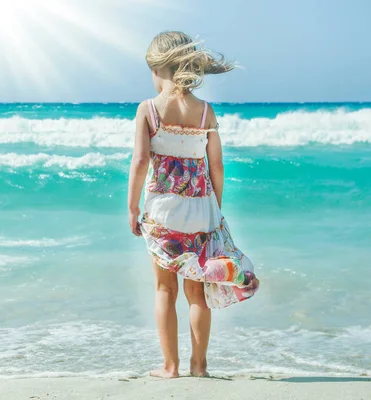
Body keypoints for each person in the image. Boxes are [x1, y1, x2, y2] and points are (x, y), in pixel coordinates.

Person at [127, 31, 260, 379]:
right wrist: (215, 206)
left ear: (158, 70)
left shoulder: (149, 109)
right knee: (196, 292)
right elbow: (216, 165)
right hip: (201, 210)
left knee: (164, 289)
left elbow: (141, 161)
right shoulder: (205, 112)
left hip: (162, 211)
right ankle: (199, 366)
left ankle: (170, 367)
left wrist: (130, 207)